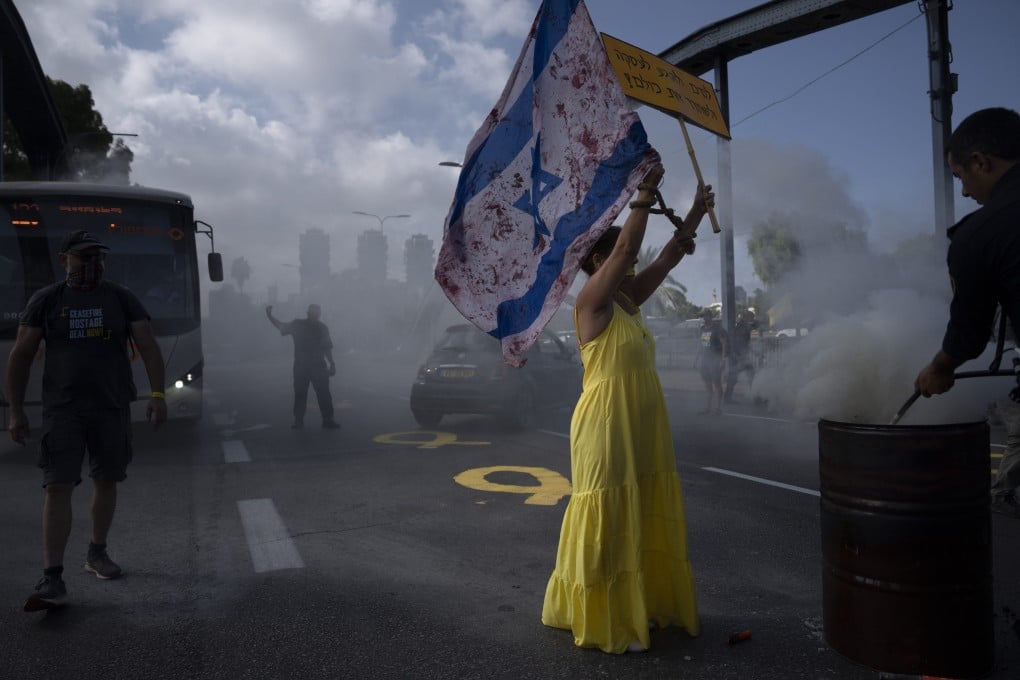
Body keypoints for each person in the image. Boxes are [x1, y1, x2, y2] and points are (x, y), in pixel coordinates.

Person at [542, 162, 714, 653]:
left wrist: (697, 214)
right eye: (618, 259)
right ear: (597, 261)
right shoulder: (590, 302)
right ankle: (610, 618)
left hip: (639, 421)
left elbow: (666, 258)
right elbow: (630, 248)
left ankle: (637, 603)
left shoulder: (628, 301)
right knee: (609, 515)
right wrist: (643, 194)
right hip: (604, 422)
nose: (631, 268)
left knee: (637, 510)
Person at [6, 229, 167, 612]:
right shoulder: (47, 301)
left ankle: (97, 553)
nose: (92, 263)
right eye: (84, 257)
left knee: (106, 479)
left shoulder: (120, 298)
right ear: (65, 260)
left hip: (111, 407)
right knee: (57, 485)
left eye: (98, 257)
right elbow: (21, 355)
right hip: (63, 410)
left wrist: (158, 395)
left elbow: (147, 345)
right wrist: (15, 410)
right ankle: (52, 578)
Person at [913, 107, 1020, 518]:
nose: (964, 193)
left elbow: (969, 332)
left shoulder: (980, 233)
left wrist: (940, 367)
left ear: (981, 162)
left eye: (961, 178)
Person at [265, 303, 339, 429]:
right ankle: (299, 420)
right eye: (313, 313)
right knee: (301, 394)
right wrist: (269, 316)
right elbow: (281, 326)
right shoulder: (298, 325)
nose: (315, 316)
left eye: (317, 313)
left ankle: (327, 420)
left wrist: (332, 364)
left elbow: (327, 348)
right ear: (308, 314)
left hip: (317, 367)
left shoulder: (322, 328)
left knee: (324, 395)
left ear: (319, 314)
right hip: (302, 367)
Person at [698, 308, 728, 415]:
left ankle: (717, 408)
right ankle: (707, 408)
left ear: (710, 316)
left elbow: (724, 343)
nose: (704, 318)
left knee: (717, 384)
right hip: (705, 361)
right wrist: (697, 359)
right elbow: (701, 345)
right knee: (708, 385)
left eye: (705, 316)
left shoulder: (717, 329)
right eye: (702, 316)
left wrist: (723, 359)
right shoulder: (702, 329)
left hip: (715, 360)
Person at [724, 309, 758, 403]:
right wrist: (740, 357)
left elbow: (744, 343)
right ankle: (755, 397)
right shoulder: (743, 327)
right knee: (750, 375)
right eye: (751, 317)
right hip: (738, 356)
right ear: (745, 317)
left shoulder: (740, 326)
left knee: (735, 377)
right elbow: (738, 343)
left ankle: (727, 397)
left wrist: (754, 352)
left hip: (737, 355)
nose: (752, 319)